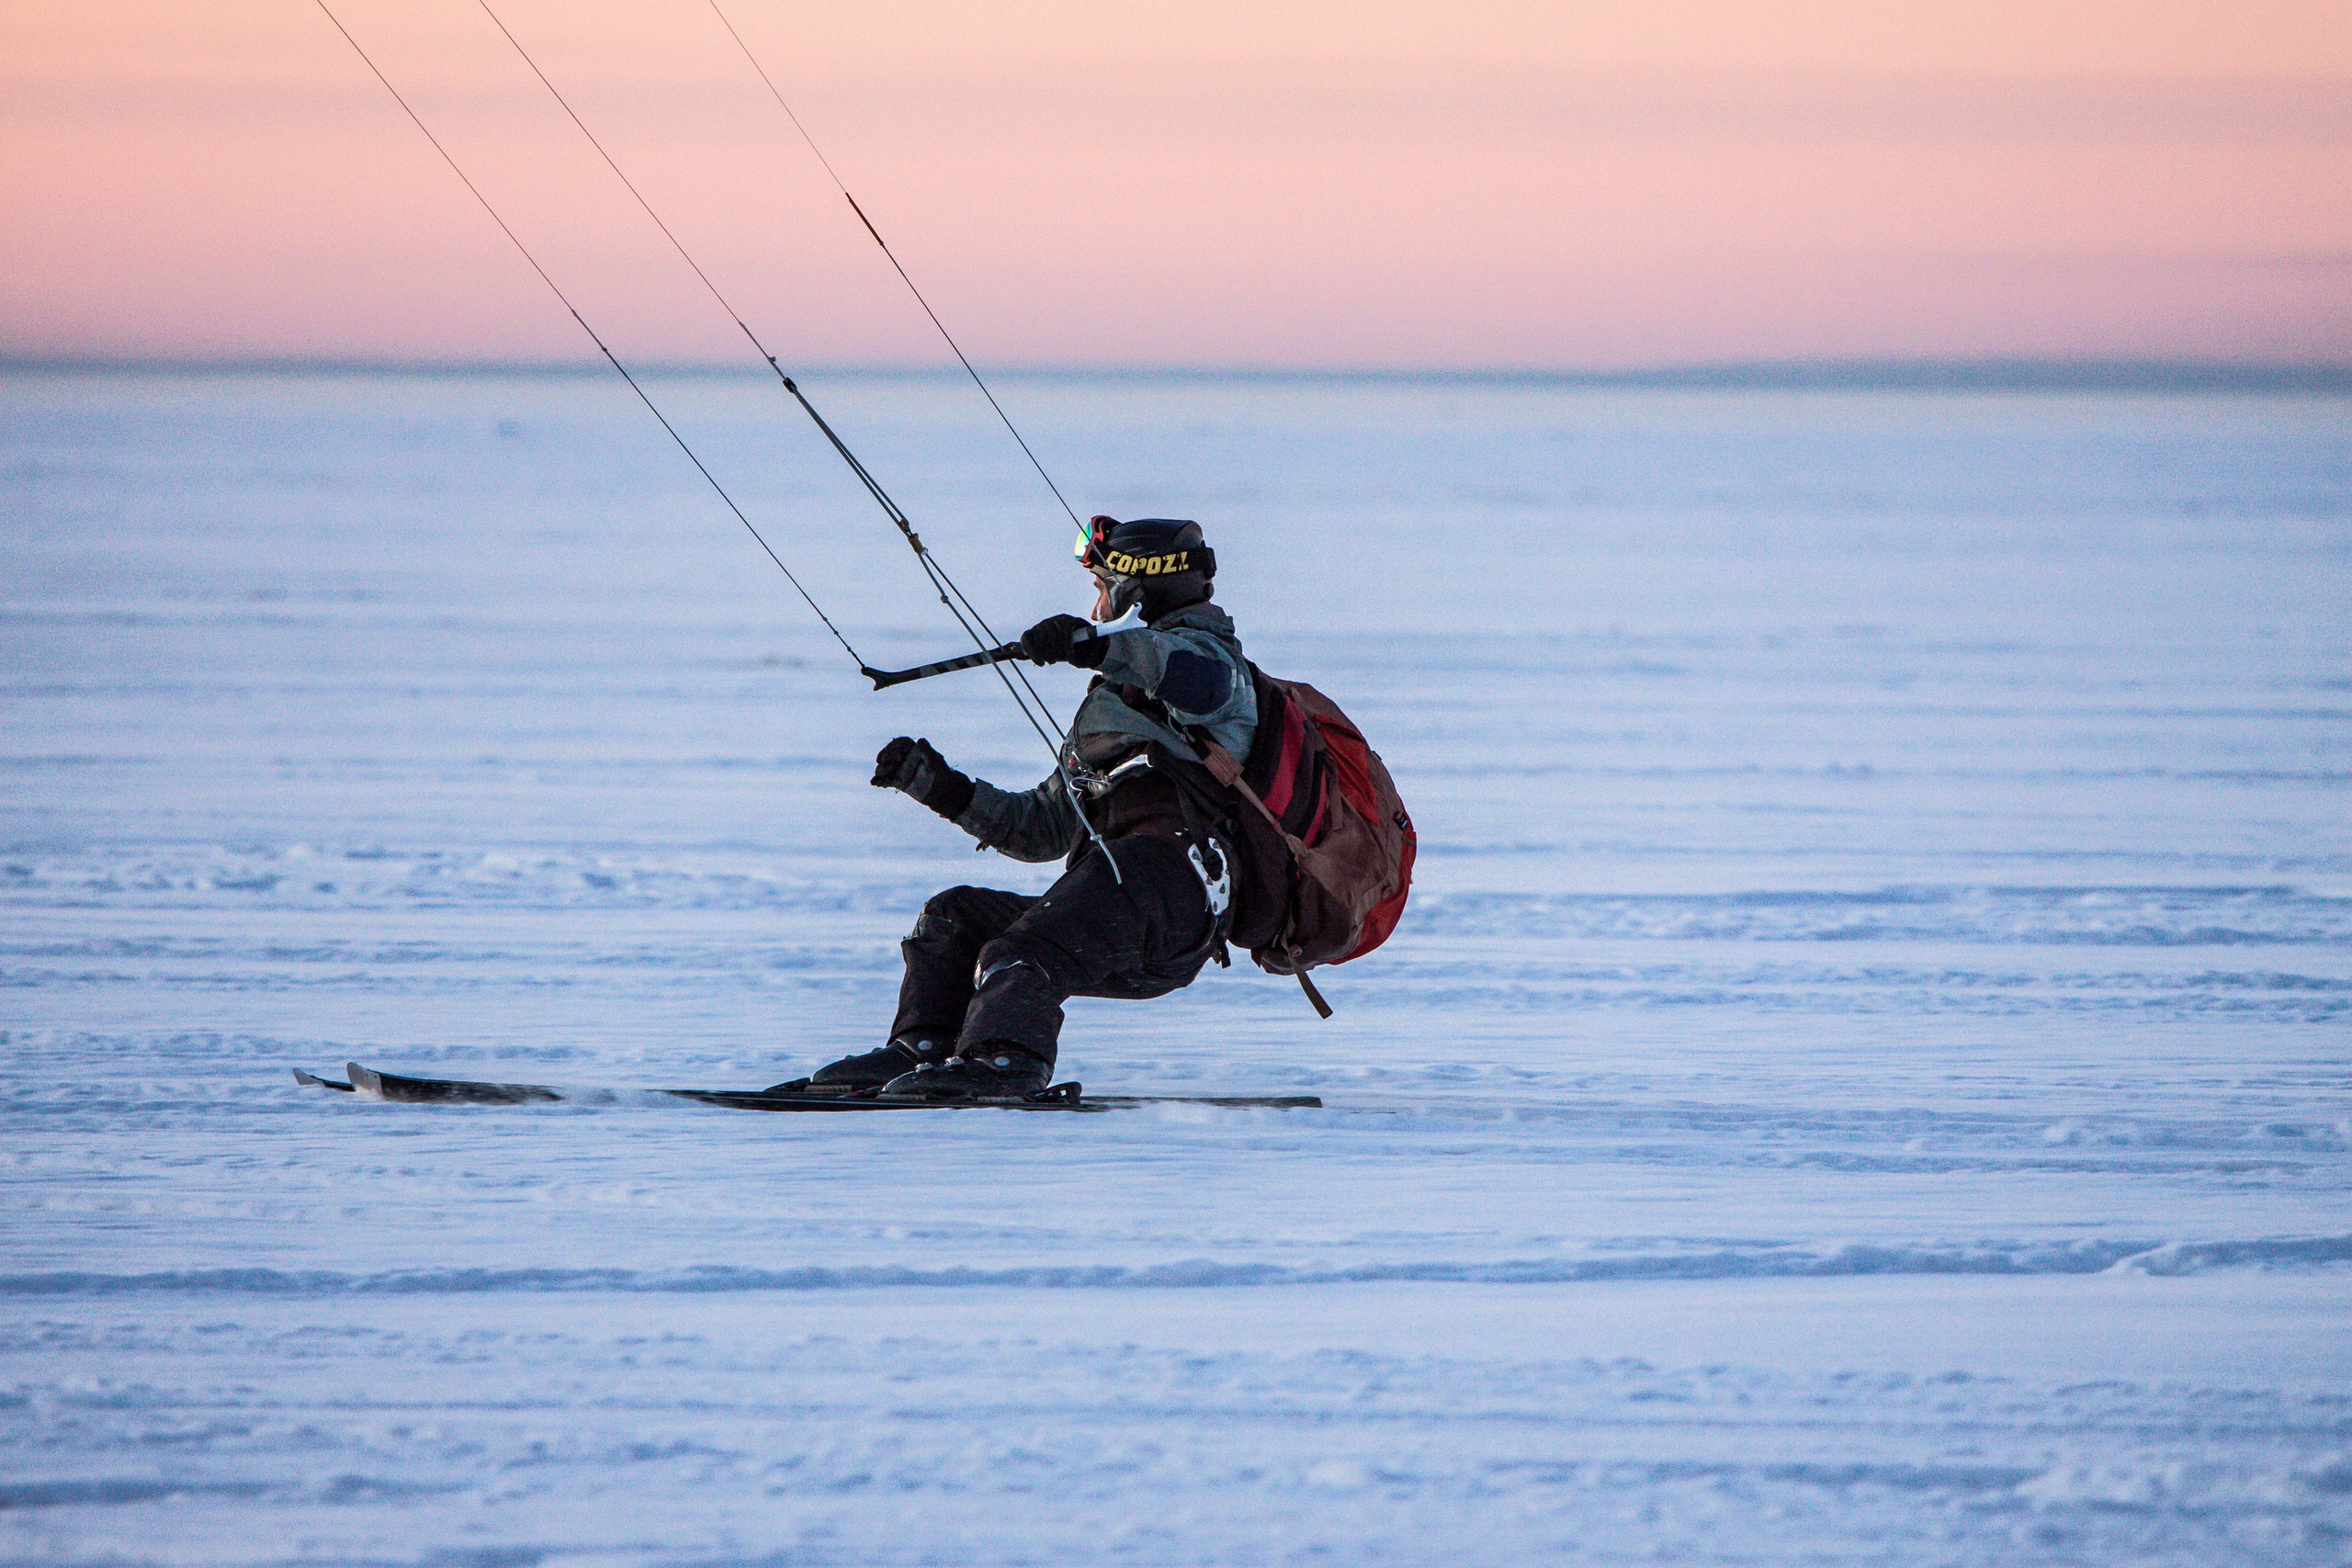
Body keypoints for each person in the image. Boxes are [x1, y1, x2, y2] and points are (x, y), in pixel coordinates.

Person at [807, 515, 1256, 1101]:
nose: (1096, 601)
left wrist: (1096, 647)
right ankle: (923, 1049)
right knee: (953, 919)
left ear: (1138, 584)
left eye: (1101, 585)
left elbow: (1192, 679)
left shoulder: (1217, 666)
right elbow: (1042, 829)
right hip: (1121, 898)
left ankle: (1005, 1061)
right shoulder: (1109, 707)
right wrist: (939, 786)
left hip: (1175, 890)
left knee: (1020, 951)